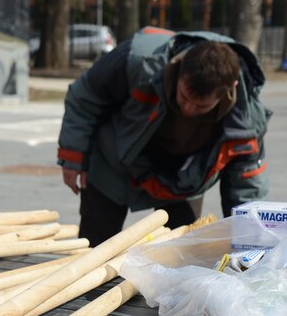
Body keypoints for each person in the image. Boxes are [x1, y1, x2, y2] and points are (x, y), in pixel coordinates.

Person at [57, 27, 271, 246]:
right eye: (184, 97)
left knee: (184, 252)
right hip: (115, 160)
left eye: (201, 106)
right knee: (95, 244)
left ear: (229, 90)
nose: (188, 109)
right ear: (180, 68)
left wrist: (249, 241)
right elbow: (85, 96)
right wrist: (73, 154)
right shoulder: (139, 60)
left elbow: (246, 186)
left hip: (185, 177)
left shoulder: (246, 117)